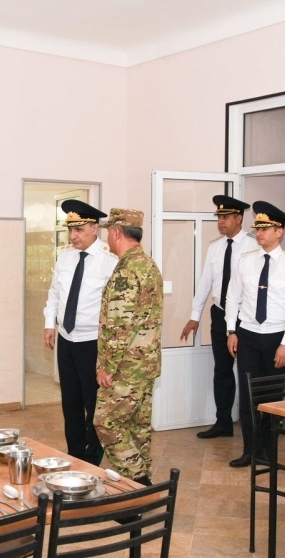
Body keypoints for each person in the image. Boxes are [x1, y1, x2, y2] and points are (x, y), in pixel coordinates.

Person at [225, 201, 285, 468]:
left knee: (271, 397)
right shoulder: (245, 261)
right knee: (248, 395)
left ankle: (267, 451)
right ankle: (249, 450)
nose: (259, 233)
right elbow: (233, 297)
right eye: (257, 229)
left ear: (279, 232)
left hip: (275, 337)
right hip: (247, 334)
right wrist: (231, 330)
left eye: (265, 229)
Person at [44, 200, 119, 465]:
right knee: (70, 401)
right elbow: (54, 293)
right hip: (66, 339)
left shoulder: (110, 261)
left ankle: (92, 457)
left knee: (94, 402)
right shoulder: (65, 257)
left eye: (79, 230)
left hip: (92, 342)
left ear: (94, 229)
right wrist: (49, 324)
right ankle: (75, 452)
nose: (73, 236)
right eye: (70, 230)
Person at [94, 208, 164, 486]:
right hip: (145, 365)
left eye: (108, 233)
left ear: (116, 232)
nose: (107, 239)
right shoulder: (149, 265)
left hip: (125, 367)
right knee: (137, 427)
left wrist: (107, 367)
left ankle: (139, 480)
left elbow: (118, 326)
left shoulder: (126, 271)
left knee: (106, 422)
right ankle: (138, 491)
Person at [180, 195, 257, 439]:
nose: (221, 222)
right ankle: (223, 422)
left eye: (226, 217)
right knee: (222, 371)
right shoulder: (216, 246)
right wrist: (195, 315)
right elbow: (206, 282)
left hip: (245, 317)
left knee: (247, 373)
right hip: (220, 314)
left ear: (239, 218)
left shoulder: (253, 246)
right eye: (219, 218)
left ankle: (253, 428)